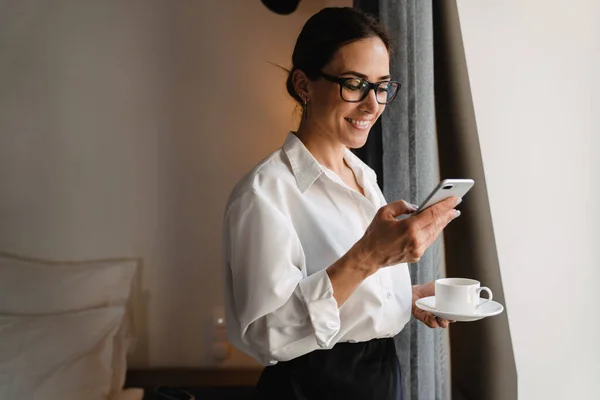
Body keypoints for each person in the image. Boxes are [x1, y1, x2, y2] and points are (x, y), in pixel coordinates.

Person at [221, 7, 460, 400]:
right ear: (303, 84)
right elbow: (267, 336)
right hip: (311, 387)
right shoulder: (263, 194)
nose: (372, 105)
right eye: (354, 84)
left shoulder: (362, 176)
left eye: (382, 86)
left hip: (382, 378)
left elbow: (343, 295)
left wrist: (406, 297)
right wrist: (369, 256)